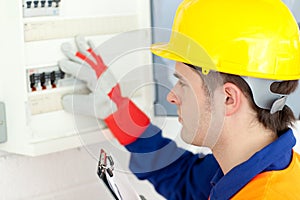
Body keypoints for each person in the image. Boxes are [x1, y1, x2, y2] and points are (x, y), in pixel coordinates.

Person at [59, 0, 300, 199]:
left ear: (227, 98)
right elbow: (183, 178)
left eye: (183, 82)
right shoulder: (255, 169)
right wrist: (119, 111)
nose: (171, 95)